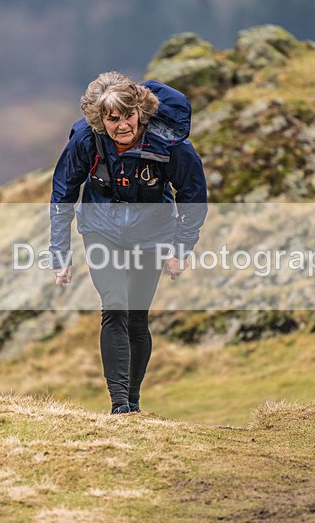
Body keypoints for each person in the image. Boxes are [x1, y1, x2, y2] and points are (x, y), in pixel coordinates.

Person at [49, 71, 207, 414]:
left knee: (136, 318)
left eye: (128, 115)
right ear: (100, 119)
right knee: (115, 305)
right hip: (100, 229)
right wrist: (60, 253)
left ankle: (133, 403)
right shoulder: (85, 140)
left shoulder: (170, 143)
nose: (122, 125)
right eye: (112, 118)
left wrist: (181, 249)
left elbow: (194, 197)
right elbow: (63, 194)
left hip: (151, 235)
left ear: (141, 111)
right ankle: (119, 405)